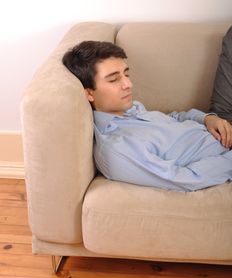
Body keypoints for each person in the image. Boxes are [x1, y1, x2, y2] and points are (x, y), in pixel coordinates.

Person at [62, 40, 232, 192]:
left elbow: (174, 117)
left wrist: (207, 119)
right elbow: (186, 178)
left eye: (126, 75)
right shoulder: (117, 149)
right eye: (114, 80)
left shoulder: (131, 108)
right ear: (89, 94)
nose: (128, 84)